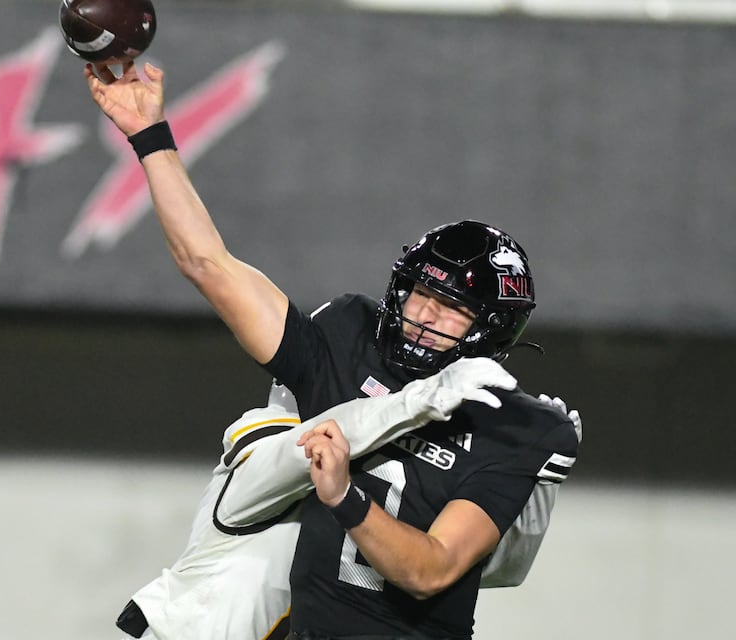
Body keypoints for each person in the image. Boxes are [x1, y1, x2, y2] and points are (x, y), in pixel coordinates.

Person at [85, 60, 579, 639]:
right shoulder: (351, 337)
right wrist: (149, 136)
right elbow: (209, 265)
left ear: (493, 330)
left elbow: (432, 570)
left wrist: (346, 498)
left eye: (452, 308)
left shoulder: (515, 424)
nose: (423, 315)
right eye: (421, 293)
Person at [116, 369, 581, 640]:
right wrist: (416, 403)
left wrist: (534, 483)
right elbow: (300, 453)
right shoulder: (266, 455)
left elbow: (484, 569)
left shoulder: (361, 491)